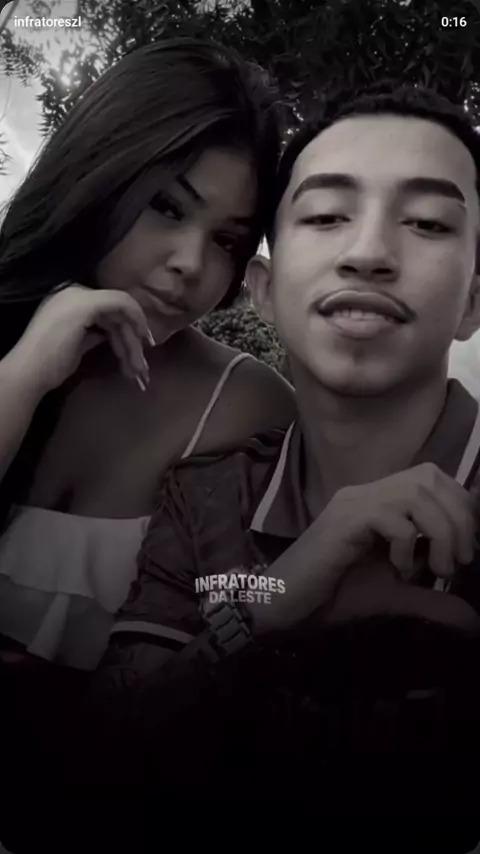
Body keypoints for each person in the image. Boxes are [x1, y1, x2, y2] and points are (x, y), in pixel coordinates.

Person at [53, 82, 480, 838]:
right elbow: (101, 764)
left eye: (426, 222)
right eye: (325, 216)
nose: (368, 254)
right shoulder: (205, 495)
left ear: (475, 301)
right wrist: (271, 602)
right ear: (264, 291)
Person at [0, 38, 296, 674]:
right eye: (167, 206)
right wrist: (21, 379)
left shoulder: (248, 408)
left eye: (226, 240)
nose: (191, 263)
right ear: (98, 173)